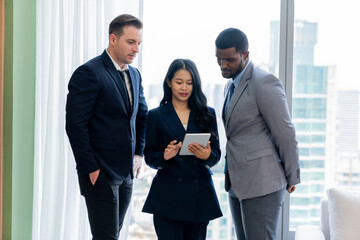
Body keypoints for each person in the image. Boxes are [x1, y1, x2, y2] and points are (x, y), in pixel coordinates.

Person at [65, 14, 148, 239]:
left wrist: (139, 153)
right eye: (131, 42)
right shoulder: (89, 73)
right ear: (113, 39)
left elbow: (142, 116)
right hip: (100, 173)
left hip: (127, 174)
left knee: (113, 235)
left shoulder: (135, 75)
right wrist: (91, 169)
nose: (136, 49)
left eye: (139, 43)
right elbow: (75, 125)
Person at [215, 28, 300, 240]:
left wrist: (292, 175)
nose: (223, 65)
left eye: (229, 60)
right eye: (219, 59)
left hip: (263, 182)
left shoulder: (264, 82)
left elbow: (285, 133)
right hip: (237, 181)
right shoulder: (229, 86)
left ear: (245, 55)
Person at [142, 59, 222, 240]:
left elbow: (216, 154)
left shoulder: (207, 114)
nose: (184, 88)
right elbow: (149, 157)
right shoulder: (156, 115)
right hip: (168, 196)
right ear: (169, 82)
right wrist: (165, 155)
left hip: (199, 196)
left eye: (189, 83)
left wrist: (207, 155)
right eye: (179, 82)